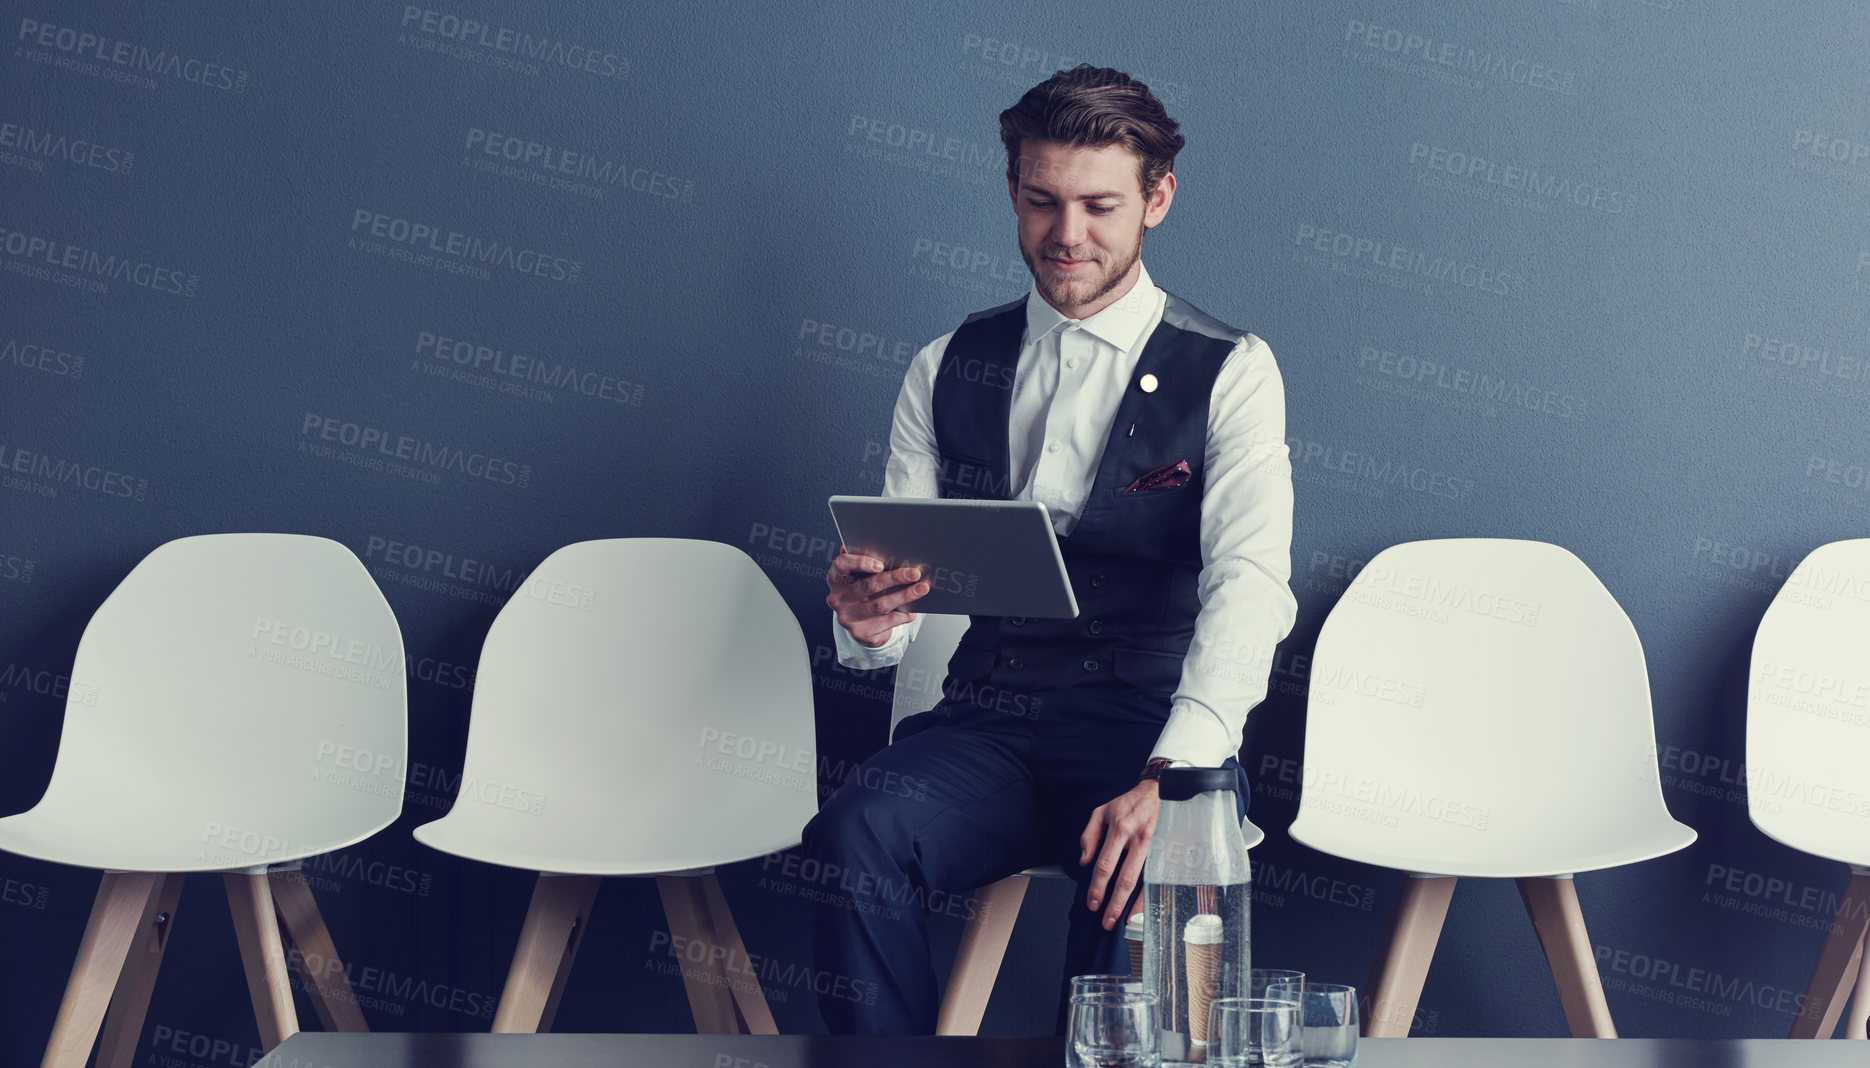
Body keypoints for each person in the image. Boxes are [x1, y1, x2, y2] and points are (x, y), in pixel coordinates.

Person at [803, 64, 1296, 1035]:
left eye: (1099, 205)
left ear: (1157, 199)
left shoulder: (1232, 371)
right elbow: (895, 607)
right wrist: (866, 622)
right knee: (851, 834)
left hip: (1147, 726)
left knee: (1155, 866)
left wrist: (1176, 777)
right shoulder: (945, 364)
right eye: (1041, 202)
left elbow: (1251, 585)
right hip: (987, 720)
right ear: (1014, 194)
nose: (1066, 235)